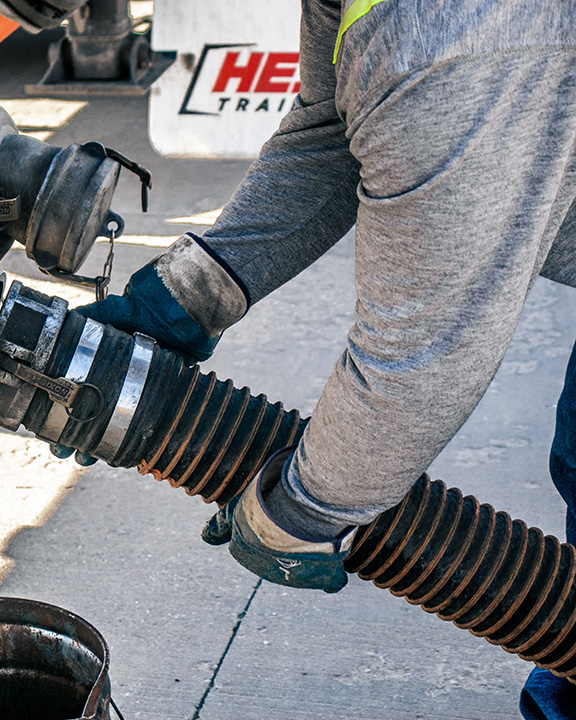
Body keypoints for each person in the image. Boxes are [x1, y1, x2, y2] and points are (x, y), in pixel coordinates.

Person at [62, 0, 576, 717]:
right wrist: (193, 292)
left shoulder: (453, 45)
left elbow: (422, 357)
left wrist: (307, 507)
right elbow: (334, 128)